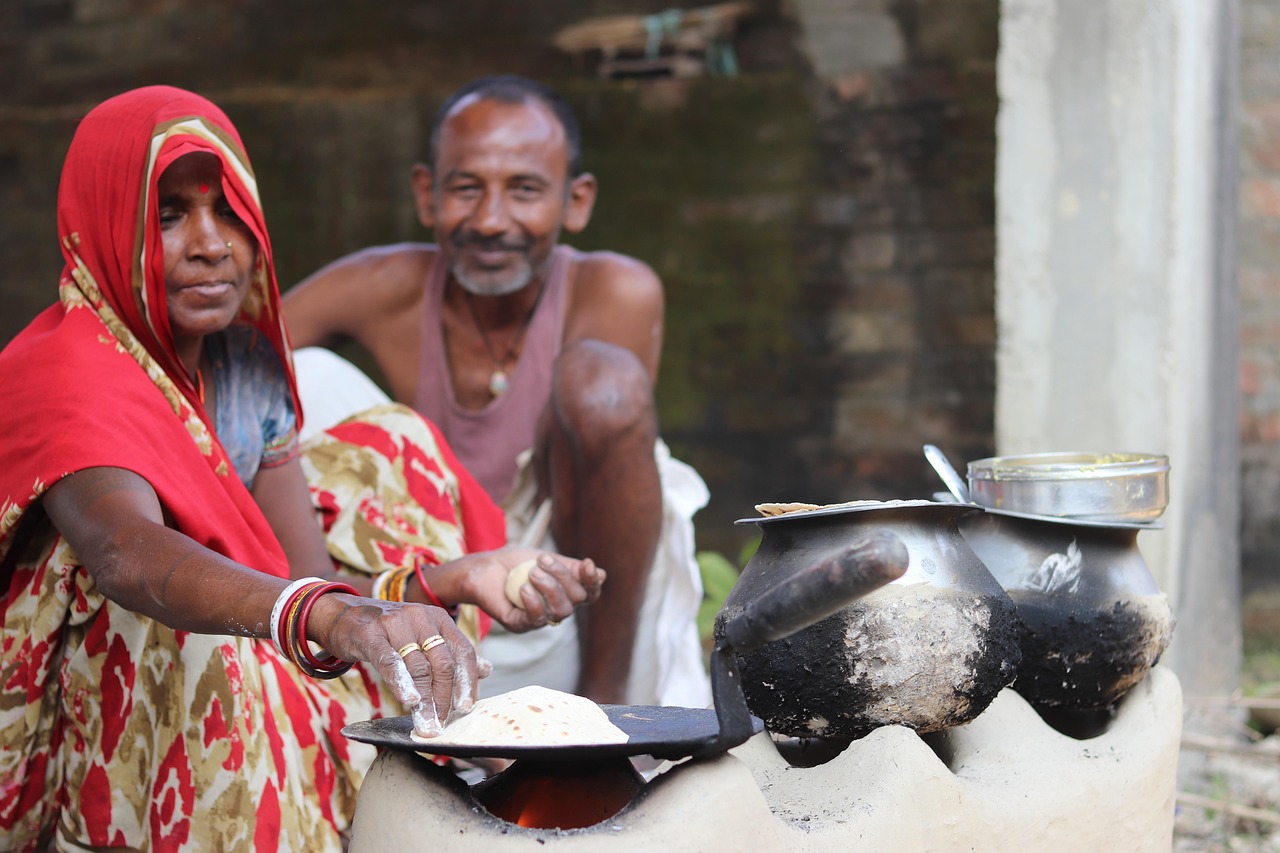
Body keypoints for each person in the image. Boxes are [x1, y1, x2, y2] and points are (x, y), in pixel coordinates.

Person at [0, 85, 604, 851]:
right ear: (102, 225)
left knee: (395, 447)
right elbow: (128, 555)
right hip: (68, 722)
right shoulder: (65, 368)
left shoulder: (244, 363)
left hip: (228, 648)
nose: (211, 243)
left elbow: (303, 575)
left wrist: (453, 580)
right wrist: (330, 615)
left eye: (230, 212)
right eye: (168, 216)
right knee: (213, 633)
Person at [284, 74, 711, 708]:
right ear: (427, 196)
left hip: (567, 603)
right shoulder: (382, 284)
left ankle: (604, 706)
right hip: (423, 592)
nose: (489, 221)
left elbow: (605, 436)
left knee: (605, 385)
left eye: (525, 191)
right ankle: (315, 622)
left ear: (577, 202)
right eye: (465, 189)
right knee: (299, 372)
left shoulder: (614, 289)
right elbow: (228, 368)